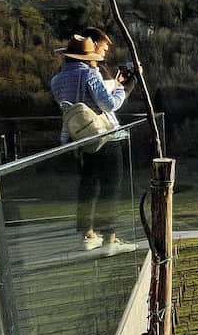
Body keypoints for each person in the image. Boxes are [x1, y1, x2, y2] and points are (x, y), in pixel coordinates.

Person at [50, 34, 135, 254]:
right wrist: (119, 88)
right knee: (111, 187)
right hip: (104, 136)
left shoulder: (56, 80)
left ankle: (88, 236)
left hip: (77, 138)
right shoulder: (89, 74)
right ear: (86, 57)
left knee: (87, 185)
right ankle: (110, 238)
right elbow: (108, 104)